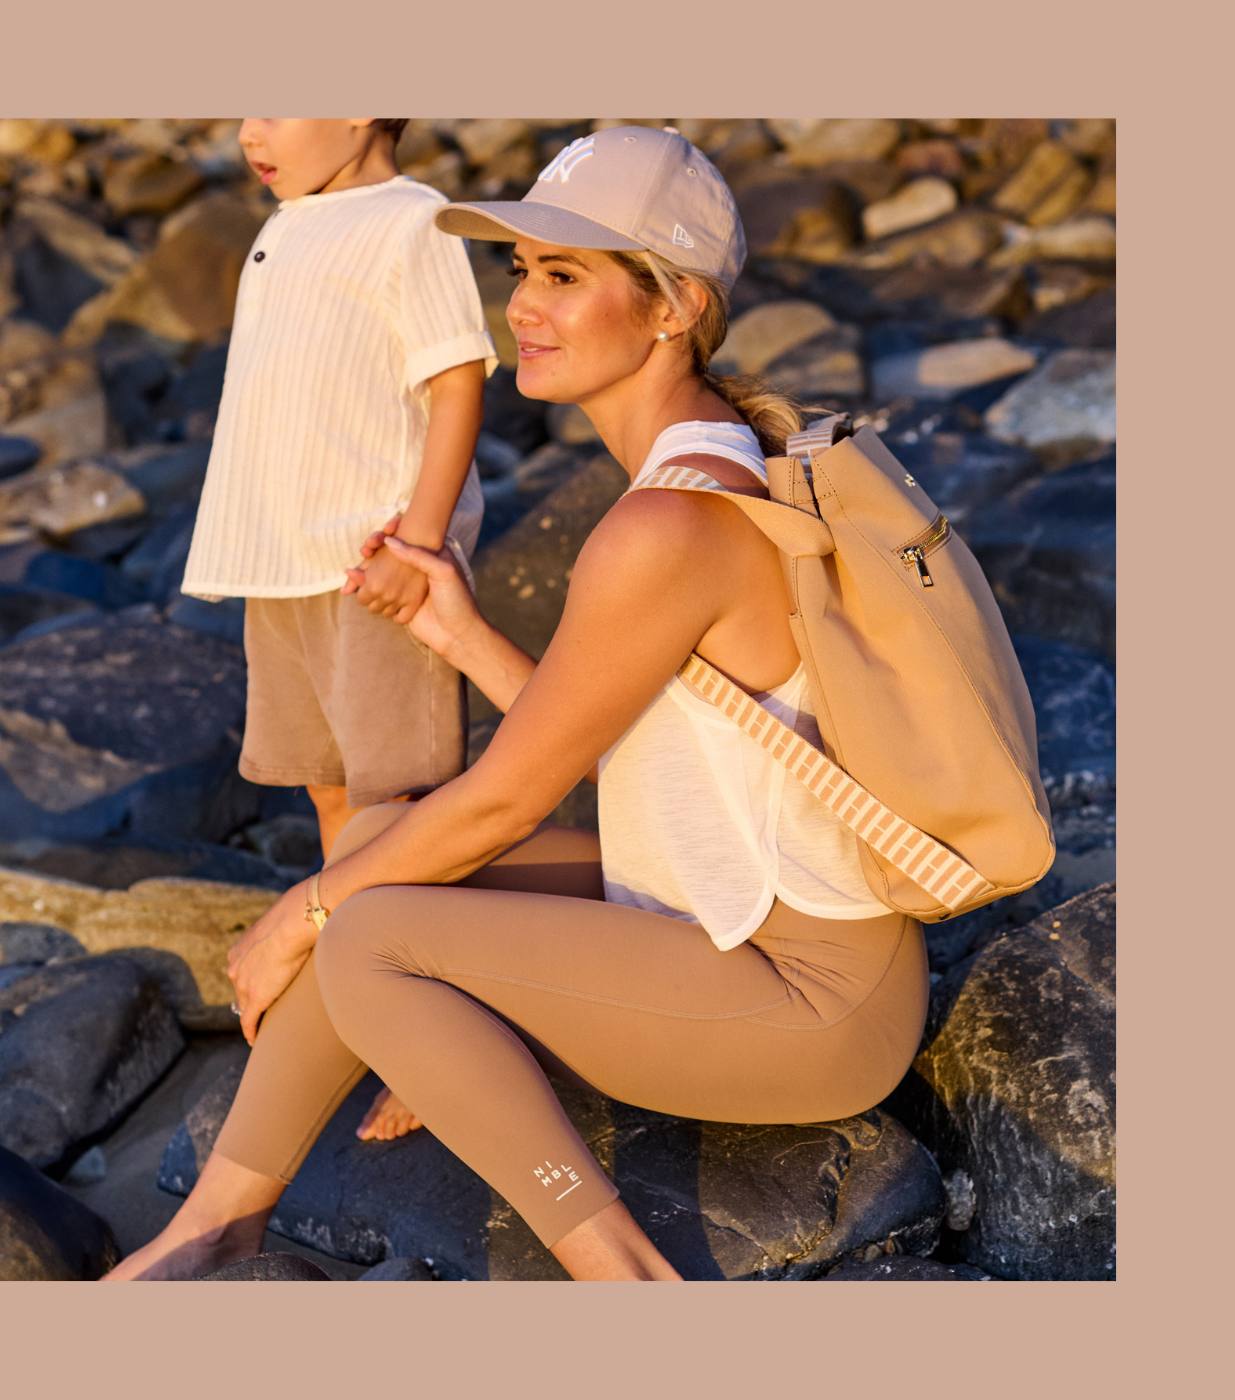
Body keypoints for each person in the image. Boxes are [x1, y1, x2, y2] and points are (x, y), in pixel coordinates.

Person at [107, 127, 928, 1282]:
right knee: (391, 841)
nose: (522, 307)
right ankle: (210, 1235)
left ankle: (622, 1278)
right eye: (521, 272)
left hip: (805, 995)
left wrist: (301, 907)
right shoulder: (709, 462)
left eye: (563, 274)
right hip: (733, 916)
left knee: (369, 934)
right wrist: (457, 630)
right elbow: (629, 734)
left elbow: (506, 800)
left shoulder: (665, 521)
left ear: (670, 306)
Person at [180, 118, 497, 1140]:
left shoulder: (411, 221)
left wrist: (420, 539)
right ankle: (353, 990)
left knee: (397, 795)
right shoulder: (287, 225)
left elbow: (456, 379)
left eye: (276, 102)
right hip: (283, 559)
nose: (248, 131)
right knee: (326, 783)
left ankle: (433, 1021)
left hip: (371, 558)